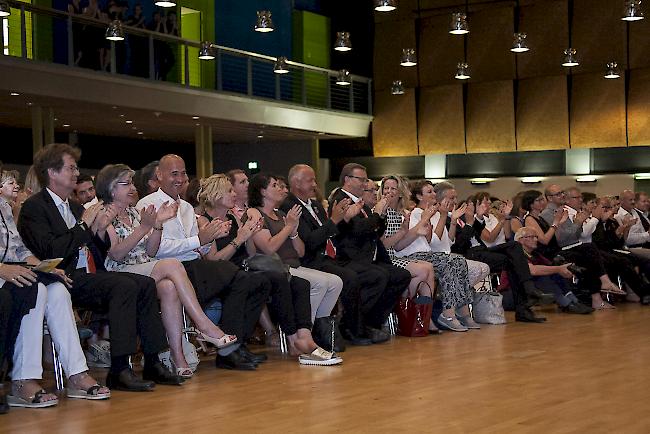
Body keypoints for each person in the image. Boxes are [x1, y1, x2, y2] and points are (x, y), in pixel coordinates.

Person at [17, 143, 182, 391]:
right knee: (123, 285)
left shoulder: (73, 207)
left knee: (146, 284)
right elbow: (51, 251)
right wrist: (85, 226)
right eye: (71, 168)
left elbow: (95, 248)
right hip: (61, 277)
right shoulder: (35, 207)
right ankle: (119, 368)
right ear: (52, 172)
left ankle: (153, 360)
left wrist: (98, 231)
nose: (76, 173)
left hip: (88, 274)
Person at [96, 164, 238, 378]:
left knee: (169, 287)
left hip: (144, 267)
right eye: (126, 183)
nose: (133, 188)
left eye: (132, 183)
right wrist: (145, 227)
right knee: (172, 264)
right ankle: (204, 325)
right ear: (111, 188)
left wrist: (158, 224)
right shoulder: (103, 214)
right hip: (120, 271)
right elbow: (116, 254)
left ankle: (177, 356)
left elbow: (151, 249)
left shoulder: (135, 213)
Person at [137, 154, 270, 371]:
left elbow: (198, 248)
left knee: (254, 282)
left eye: (183, 173)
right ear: (159, 175)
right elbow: (157, 249)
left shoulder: (187, 208)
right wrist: (200, 239)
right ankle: (227, 346)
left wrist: (210, 237)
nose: (179, 179)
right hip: (170, 269)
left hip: (194, 265)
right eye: (173, 174)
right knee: (240, 277)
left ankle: (233, 346)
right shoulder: (148, 205)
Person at [1, 166, 111, 407]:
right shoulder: (27, 208)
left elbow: (18, 251)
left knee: (57, 289)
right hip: (4, 274)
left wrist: (44, 267)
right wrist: (2, 269)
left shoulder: (4, 208)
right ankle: (23, 379)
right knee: (35, 289)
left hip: (14, 270)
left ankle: (77, 373)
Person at [246, 173, 343, 365]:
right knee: (313, 283)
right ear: (263, 191)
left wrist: (294, 230)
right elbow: (268, 248)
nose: (281, 189)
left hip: (294, 263)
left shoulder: (282, 215)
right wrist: (288, 227)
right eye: (275, 185)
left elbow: (300, 251)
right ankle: (303, 335)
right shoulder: (255, 213)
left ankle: (313, 332)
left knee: (335, 282)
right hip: (276, 266)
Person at [281, 164, 371, 346]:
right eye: (310, 180)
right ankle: (339, 330)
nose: (315, 184)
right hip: (308, 260)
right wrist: (335, 220)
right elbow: (310, 242)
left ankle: (342, 329)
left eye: (314, 179)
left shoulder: (314, 204)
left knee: (364, 274)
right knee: (349, 277)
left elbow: (330, 234)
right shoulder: (290, 205)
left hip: (326, 256)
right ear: (296, 183)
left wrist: (342, 220)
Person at [329, 163, 411, 342]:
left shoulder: (359, 202)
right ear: (347, 180)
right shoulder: (341, 199)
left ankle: (371, 322)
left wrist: (379, 216)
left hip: (365, 257)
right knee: (378, 276)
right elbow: (357, 230)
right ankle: (351, 324)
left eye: (366, 180)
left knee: (401, 276)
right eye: (362, 180)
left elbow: (375, 232)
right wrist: (377, 214)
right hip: (347, 258)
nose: (365, 184)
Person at [521, 189, 621, 310]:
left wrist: (567, 222)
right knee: (589, 251)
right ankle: (596, 294)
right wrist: (559, 223)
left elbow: (566, 235)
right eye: (539, 200)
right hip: (547, 253)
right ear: (531, 204)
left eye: (542, 199)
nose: (543, 202)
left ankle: (598, 293)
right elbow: (544, 240)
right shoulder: (532, 218)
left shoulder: (545, 216)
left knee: (590, 252)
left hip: (557, 249)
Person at [377, 176, 443, 332]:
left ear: (400, 193)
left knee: (427, 268)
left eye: (393, 188)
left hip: (395, 255)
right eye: (386, 188)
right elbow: (383, 245)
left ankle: (423, 317)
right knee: (423, 270)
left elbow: (400, 244)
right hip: (384, 258)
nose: (389, 192)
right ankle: (409, 312)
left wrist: (408, 230)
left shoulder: (401, 213)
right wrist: (403, 231)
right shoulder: (380, 212)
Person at [515, 227, 593, 314]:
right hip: (514, 292)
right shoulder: (516, 254)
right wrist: (558, 269)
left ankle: (574, 301)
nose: (536, 239)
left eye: (536, 237)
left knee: (555, 274)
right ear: (521, 240)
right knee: (541, 277)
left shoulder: (534, 254)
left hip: (527, 289)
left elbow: (550, 265)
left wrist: (565, 267)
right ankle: (566, 304)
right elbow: (532, 270)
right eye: (532, 237)